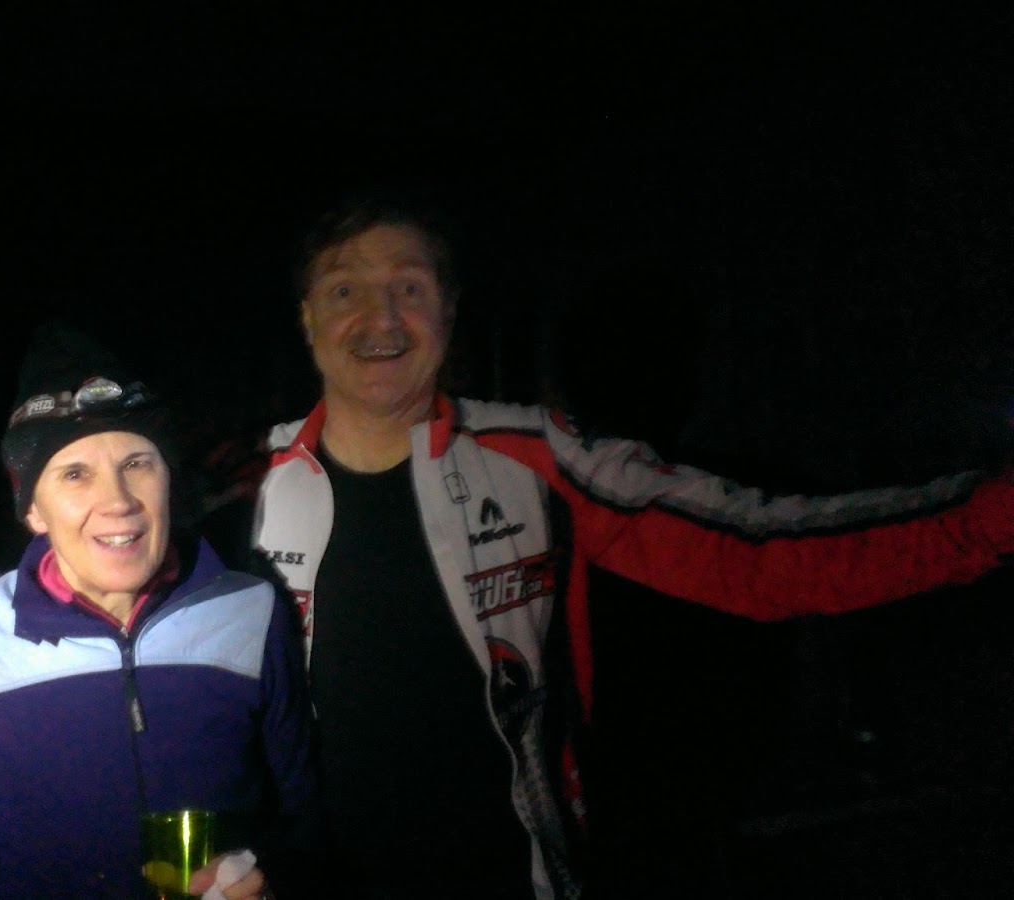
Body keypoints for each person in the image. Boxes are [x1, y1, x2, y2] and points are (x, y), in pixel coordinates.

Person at [242, 196, 1014, 898]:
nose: (380, 318)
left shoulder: (538, 454)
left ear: (448, 308)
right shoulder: (240, 497)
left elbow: (760, 553)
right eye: (345, 290)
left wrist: (990, 518)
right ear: (308, 317)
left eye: (409, 287)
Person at [0, 322, 314, 899]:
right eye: (75, 474)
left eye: (137, 464)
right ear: (33, 510)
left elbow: (303, 810)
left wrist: (269, 876)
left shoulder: (251, 610)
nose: (118, 501)